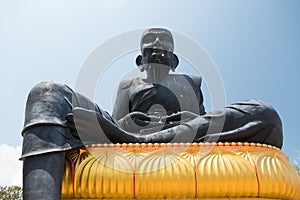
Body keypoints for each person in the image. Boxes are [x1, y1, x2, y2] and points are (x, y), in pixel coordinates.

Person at [21, 28, 283, 199]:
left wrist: (181, 123)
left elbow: (207, 124)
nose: (158, 44)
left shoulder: (191, 82)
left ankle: (140, 142)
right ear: (140, 61)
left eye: (165, 42)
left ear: (174, 59)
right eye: (150, 42)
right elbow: (115, 122)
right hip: (128, 135)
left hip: (183, 138)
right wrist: (129, 125)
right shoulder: (128, 84)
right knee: (47, 93)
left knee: (265, 113)